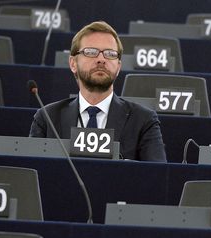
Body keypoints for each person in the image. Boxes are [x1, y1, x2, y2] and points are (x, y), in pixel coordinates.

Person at [29, 21, 167, 162]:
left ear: (118, 66)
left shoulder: (143, 120)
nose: (101, 59)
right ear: (73, 63)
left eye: (110, 54)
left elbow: (156, 178)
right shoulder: (47, 118)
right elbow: (32, 174)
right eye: (91, 52)